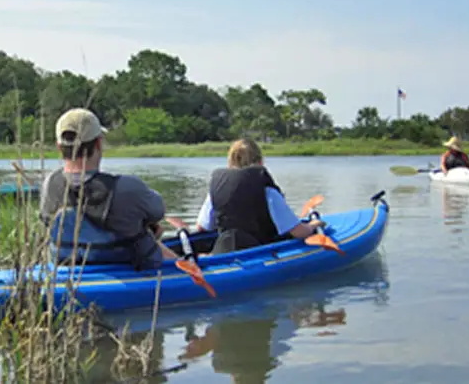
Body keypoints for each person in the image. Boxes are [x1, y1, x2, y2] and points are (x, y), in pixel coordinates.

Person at [39, 108, 178, 270]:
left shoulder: (49, 184)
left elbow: (46, 220)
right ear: (98, 143)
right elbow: (158, 211)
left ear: (59, 147)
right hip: (129, 269)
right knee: (148, 232)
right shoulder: (128, 188)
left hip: (69, 271)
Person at [194, 138, 326, 254]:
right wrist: (313, 225)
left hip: (223, 252)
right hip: (257, 252)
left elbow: (202, 227)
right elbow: (299, 233)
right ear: (260, 162)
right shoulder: (266, 188)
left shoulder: (218, 187)